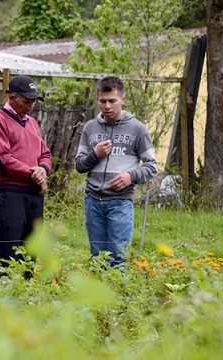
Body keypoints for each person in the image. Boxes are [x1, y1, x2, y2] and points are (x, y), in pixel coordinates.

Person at [75, 76, 157, 267]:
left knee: (118, 257)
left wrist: (131, 176)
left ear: (122, 99)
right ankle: (98, 296)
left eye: (112, 101)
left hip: (120, 202)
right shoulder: (90, 128)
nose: (107, 106)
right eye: (103, 101)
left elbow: (152, 166)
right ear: (97, 100)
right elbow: (79, 165)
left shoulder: (138, 129)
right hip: (93, 200)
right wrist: (95, 154)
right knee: (97, 257)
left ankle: (118, 296)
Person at [0, 75, 52, 277]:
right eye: (26, 102)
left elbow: (45, 154)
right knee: (8, 251)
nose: (31, 107)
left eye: (33, 102)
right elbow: (1, 160)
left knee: (30, 253)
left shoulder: (31, 123)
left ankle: (25, 299)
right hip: (11, 193)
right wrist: (33, 173)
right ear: (12, 97)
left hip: (34, 196)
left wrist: (43, 170)